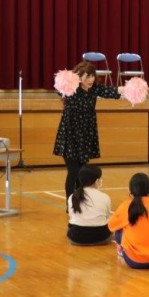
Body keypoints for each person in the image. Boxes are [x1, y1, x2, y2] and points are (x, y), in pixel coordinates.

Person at [53, 61, 122, 199]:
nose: (91, 80)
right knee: (73, 172)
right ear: (78, 77)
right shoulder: (71, 89)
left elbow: (113, 91)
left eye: (92, 76)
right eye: (87, 76)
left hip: (85, 136)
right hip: (70, 136)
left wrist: (131, 89)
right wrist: (69, 79)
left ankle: (79, 200)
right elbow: (59, 89)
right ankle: (70, 203)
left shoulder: (94, 89)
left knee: (82, 172)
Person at [108, 173, 149, 269]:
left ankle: (122, 250)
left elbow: (111, 226)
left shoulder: (125, 206)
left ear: (130, 191)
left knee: (119, 231)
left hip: (134, 260)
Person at [66, 165, 112, 246]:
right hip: (102, 237)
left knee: (71, 226)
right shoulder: (105, 197)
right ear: (97, 180)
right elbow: (107, 217)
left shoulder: (72, 197)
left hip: (76, 238)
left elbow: (72, 216)